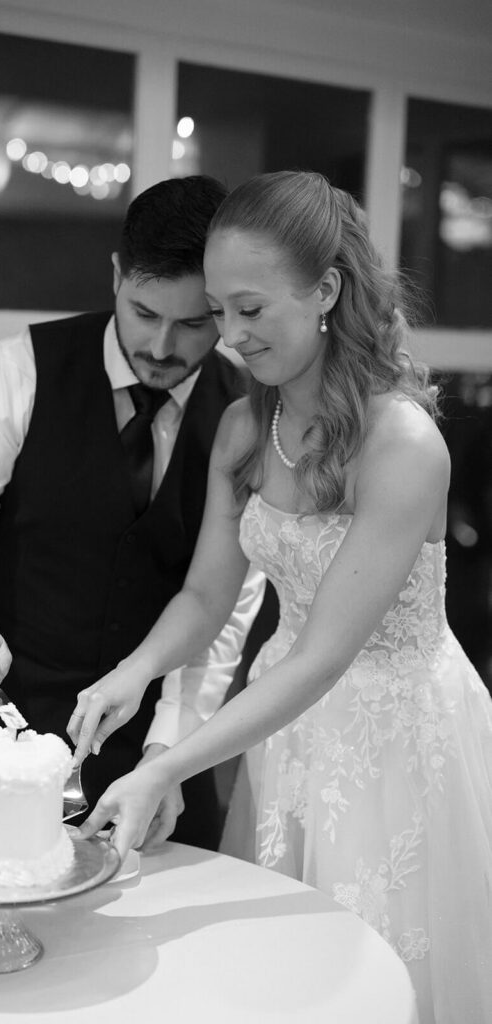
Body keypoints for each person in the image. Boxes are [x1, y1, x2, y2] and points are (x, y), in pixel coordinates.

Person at [68, 171, 492, 1023]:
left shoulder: (403, 444)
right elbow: (205, 594)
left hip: (392, 741)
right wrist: (132, 672)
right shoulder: (241, 429)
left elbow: (323, 657)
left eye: (250, 309)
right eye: (217, 310)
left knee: (374, 981)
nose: (227, 338)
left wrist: (165, 766)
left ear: (325, 291)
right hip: (285, 730)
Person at [0, 174, 264, 852]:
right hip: (3, 737)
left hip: (159, 745)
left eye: (194, 323)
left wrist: (167, 753)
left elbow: (225, 612)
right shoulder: (16, 372)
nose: (162, 346)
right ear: (117, 275)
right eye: (144, 313)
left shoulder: (245, 415)